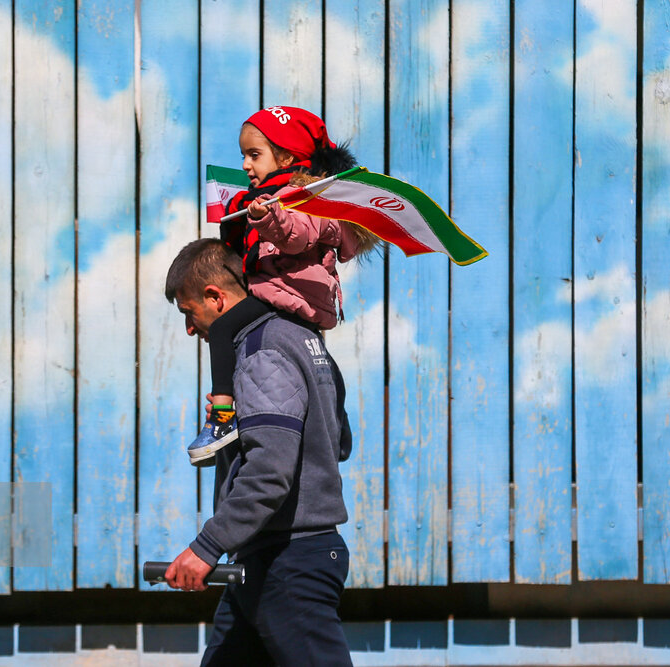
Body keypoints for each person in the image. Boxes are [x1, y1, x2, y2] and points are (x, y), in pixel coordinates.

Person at [164, 238, 354, 666]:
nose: (190, 329)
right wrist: (243, 420)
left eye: (188, 313)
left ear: (215, 297)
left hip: (287, 563)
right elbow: (337, 441)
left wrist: (206, 547)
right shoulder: (304, 338)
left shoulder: (262, 349)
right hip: (276, 558)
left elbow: (269, 472)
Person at [186, 105, 378, 467]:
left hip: (289, 293)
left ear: (287, 156)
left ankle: (222, 417)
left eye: (254, 155)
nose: (245, 164)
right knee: (315, 359)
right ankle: (336, 424)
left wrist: (270, 216)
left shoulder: (310, 201)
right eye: (243, 155)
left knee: (225, 328)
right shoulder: (268, 198)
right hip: (282, 291)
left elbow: (297, 235)